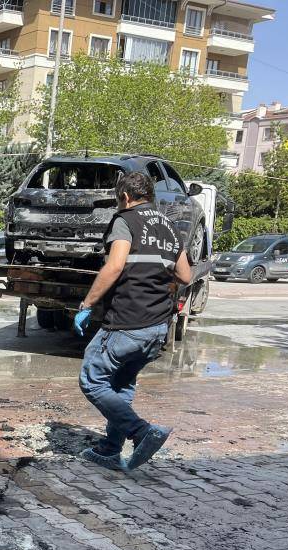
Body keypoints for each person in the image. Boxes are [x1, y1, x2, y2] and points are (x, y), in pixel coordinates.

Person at [75, 171, 193, 472]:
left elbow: (114, 267)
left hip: (128, 321)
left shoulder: (125, 220)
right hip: (157, 327)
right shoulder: (170, 227)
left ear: (125, 197)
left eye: (118, 199)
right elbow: (185, 276)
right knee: (121, 384)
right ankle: (109, 451)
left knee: (92, 378)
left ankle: (141, 432)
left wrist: (87, 304)